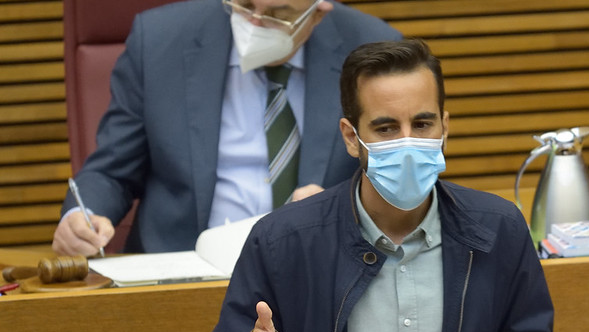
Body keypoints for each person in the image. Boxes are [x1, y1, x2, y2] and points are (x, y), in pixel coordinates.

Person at [202, 38, 559, 332]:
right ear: (352, 137)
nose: (408, 141)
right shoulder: (284, 240)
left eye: (423, 124)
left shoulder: (497, 229)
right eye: (387, 128)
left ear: (445, 128)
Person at [53, 0, 400, 255]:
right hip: (182, 270)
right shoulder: (158, 42)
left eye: (279, 15)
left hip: (321, 271)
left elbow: (401, 181)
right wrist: (81, 215)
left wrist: (344, 205)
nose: (255, 23)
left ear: (320, 10)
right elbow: (112, 171)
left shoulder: (376, 52)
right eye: (245, 6)